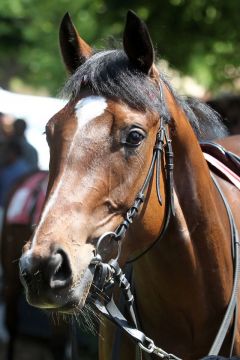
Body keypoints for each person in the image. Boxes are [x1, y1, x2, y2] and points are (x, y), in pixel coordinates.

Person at [0, 140, 32, 207]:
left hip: (12, 209)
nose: (2, 154)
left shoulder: (23, 170)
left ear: (13, 153)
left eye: (5, 151)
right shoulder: (5, 167)